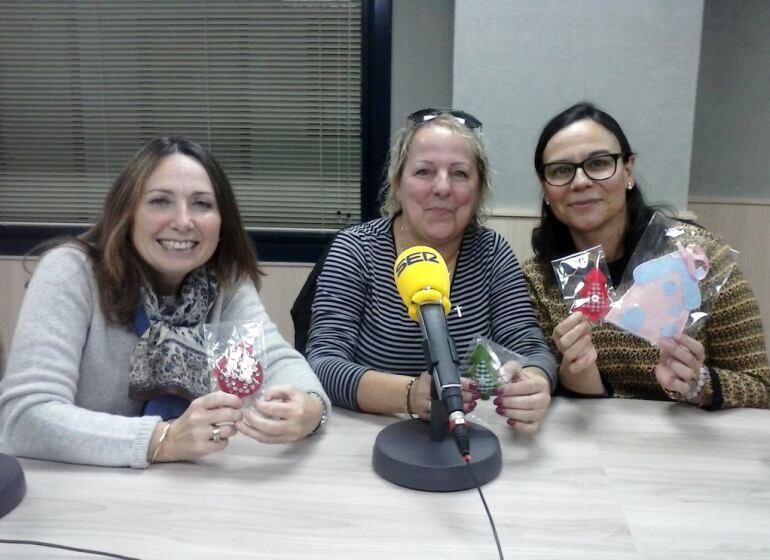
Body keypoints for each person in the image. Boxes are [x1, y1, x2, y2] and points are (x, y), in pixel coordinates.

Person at [0, 137, 330, 468]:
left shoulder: (223, 281)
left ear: (221, 221)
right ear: (127, 212)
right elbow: (24, 417)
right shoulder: (72, 273)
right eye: (160, 201)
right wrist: (164, 439)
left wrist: (310, 409)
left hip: (183, 489)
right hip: (78, 486)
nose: (183, 221)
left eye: (201, 204)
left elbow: (273, 364)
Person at [305, 108, 556, 433]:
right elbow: (322, 362)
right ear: (397, 183)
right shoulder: (356, 250)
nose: (442, 187)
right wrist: (409, 395)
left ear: (479, 190)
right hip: (364, 438)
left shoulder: (493, 253)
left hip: (471, 436)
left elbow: (533, 349)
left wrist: (534, 382)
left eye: (460, 174)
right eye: (424, 171)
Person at [522, 102, 770, 409]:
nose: (581, 181)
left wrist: (701, 384)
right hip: (595, 443)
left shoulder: (698, 260)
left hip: (693, 445)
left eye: (598, 163)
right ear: (546, 189)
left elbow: (761, 386)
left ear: (628, 170)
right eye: (561, 170)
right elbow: (553, 396)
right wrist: (576, 372)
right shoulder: (537, 281)